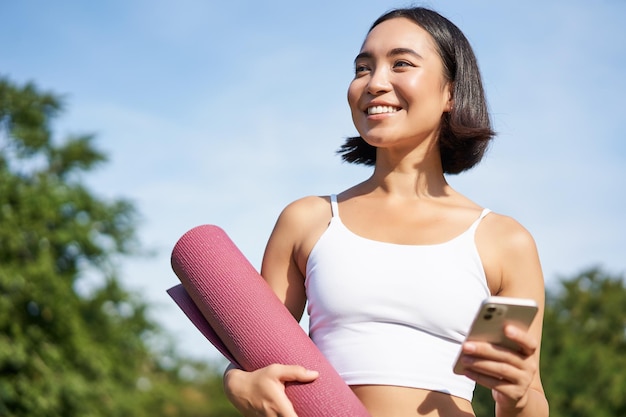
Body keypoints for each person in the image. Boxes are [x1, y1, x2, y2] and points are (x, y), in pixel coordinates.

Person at [223, 6, 549, 417]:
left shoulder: (504, 240)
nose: (375, 82)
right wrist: (237, 381)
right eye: (362, 68)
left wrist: (516, 397)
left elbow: (529, 394)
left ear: (451, 91)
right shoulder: (308, 220)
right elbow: (253, 354)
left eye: (401, 64)